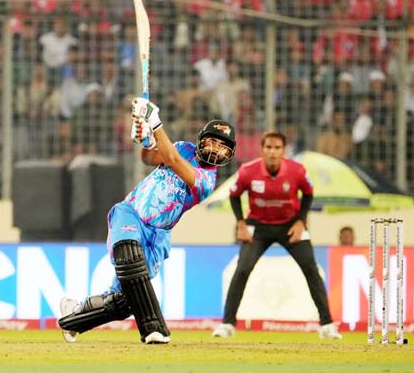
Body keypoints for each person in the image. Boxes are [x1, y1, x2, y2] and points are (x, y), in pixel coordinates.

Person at [58, 97, 236, 344]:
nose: (216, 149)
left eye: (222, 146)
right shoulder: (183, 148)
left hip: (158, 236)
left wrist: (155, 123)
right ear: (201, 140)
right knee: (130, 258)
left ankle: (72, 318)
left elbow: (173, 161)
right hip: (132, 213)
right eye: (212, 142)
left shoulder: (207, 181)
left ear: (229, 154)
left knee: (124, 301)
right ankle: (154, 329)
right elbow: (149, 158)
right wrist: (146, 139)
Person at [211, 131, 342, 340]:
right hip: (258, 227)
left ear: (283, 150)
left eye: (277, 148)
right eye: (269, 147)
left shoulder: (297, 171)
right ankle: (227, 324)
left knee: (311, 269)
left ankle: (327, 325)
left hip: (290, 226)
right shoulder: (248, 171)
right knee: (242, 270)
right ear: (262, 150)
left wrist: (301, 221)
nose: (272, 152)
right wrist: (241, 223)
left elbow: (308, 194)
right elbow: (234, 196)